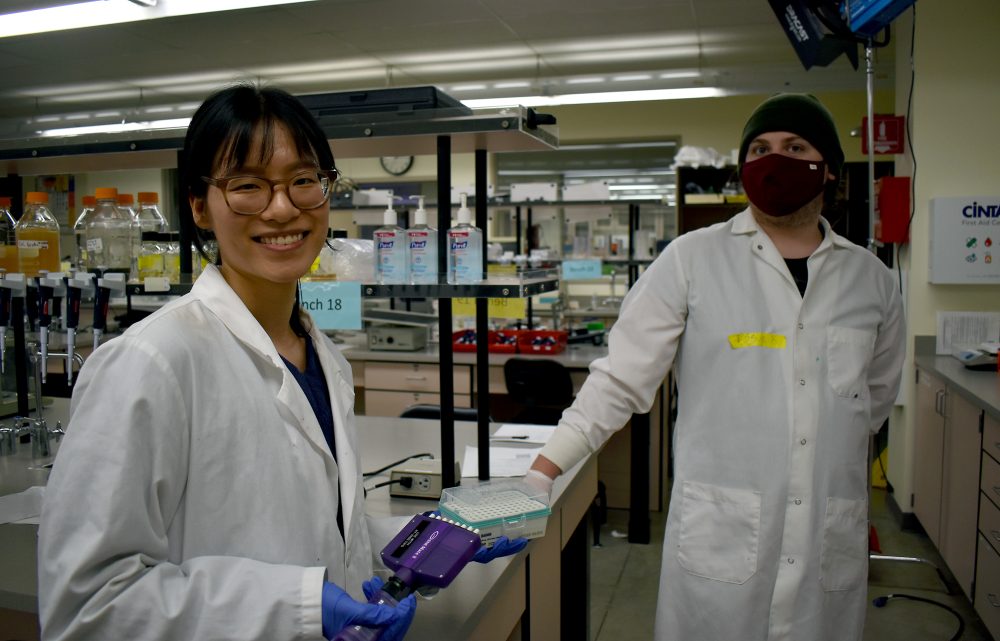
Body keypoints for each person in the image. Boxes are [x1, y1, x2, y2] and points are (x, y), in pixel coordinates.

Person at [38, 84, 522, 641]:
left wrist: (421, 540)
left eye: (304, 180)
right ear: (199, 205)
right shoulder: (150, 363)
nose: (283, 208)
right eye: (247, 185)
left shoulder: (324, 357)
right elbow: (87, 604)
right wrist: (298, 605)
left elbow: (308, 531)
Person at [525, 93, 905, 641]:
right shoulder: (691, 258)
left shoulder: (872, 281)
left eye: (795, 147)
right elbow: (621, 377)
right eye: (760, 149)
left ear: (829, 170)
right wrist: (545, 469)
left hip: (825, 539)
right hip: (722, 536)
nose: (774, 161)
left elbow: (873, 400)